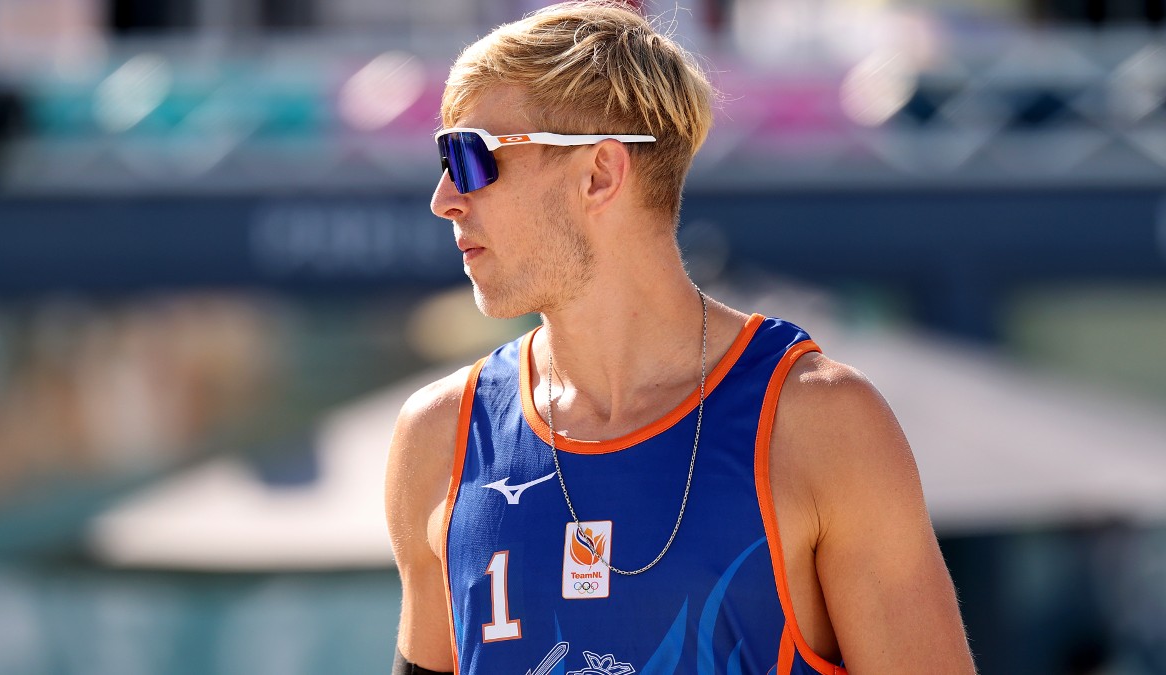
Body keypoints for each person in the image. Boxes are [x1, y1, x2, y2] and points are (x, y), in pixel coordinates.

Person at [385, 2, 975, 673]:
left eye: (468, 158)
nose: (443, 198)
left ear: (600, 173)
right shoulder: (440, 436)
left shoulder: (820, 423)